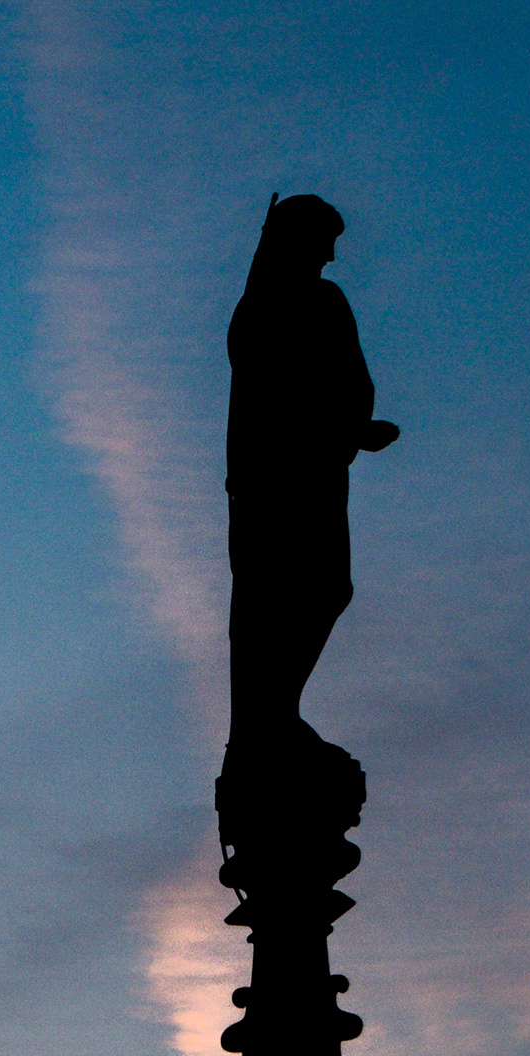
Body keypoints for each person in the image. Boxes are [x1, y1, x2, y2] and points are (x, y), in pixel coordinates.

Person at [226, 194, 398, 747]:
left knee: (325, 588)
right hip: (275, 481)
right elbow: (277, 396)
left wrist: (351, 430)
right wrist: (348, 431)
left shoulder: (323, 301)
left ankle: (278, 709)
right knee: (278, 595)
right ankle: (269, 715)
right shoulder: (263, 309)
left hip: (320, 471)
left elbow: (348, 381)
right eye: (323, 241)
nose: (330, 255)